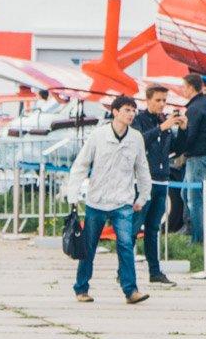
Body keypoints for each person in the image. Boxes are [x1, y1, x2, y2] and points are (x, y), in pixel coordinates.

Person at [66, 95, 153, 305]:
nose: (131, 114)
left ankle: (130, 290)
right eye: (127, 110)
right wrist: (73, 195)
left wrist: (143, 196)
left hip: (123, 202)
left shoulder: (136, 138)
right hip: (97, 201)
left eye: (133, 110)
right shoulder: (98, 136)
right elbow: (81, 165)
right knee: (89, 246)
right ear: (115, 112)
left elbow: (142, 169)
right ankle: (81, 288)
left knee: (125, 244)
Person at [131, 85, 183, 286]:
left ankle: (155, 271)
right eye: (158, 100)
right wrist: (162, 127)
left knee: (153, 228)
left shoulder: (164, 122)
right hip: (144, 181)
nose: (162, 104)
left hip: (162, 179)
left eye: (164, 101)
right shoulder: (139, 121)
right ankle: (124, 269)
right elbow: (140, 141)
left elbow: (176, 148)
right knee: (134, 227)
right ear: (148, 100)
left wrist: (183, 129)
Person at [175, 73, 206, 243]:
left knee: (195, 199)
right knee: (185, 193)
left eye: (184, 87)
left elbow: (190, 135)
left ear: (191, 88)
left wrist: (180, 151)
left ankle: (199, 237)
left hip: (198, 158)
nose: (182, 90)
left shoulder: (193, 109)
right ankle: (200, 232)